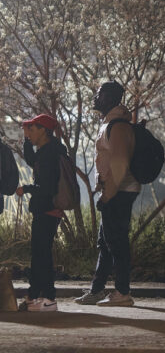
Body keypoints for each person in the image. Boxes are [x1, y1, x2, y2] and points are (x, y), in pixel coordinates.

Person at [75, 81, 140, 307]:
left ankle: (122, 293)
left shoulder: (119, 126)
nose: (96, 98)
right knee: (106, 243)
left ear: (112, 98)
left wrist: (107, 195)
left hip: (120, 193)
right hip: (114, 192)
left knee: (117, 243)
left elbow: (119, 165)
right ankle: (97, 290)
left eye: (100, 94)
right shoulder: (110, 123)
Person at [17, 114, 67, 312]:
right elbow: (33, 162)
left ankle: (48, 297)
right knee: (39, 253)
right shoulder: (48, 150)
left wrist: (27, 189)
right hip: (46, 209)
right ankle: (34, 295)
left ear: (43, 130)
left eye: (32, 129)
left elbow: (46, 186)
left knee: (42, 255)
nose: (29, 133)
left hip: (48, 208)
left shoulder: (50, 153)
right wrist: (27, 142)